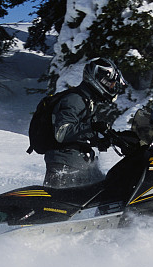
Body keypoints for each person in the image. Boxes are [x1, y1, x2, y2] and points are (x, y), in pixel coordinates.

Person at [43, 57, 127, 188]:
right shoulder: (75, 99)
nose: (112, 88)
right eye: (109, 83)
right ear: (99, 80)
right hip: (66, 167)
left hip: (79, 164)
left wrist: (100, 139)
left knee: (108, 192)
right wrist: (92, 128)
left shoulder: (87, 101)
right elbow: (62, 132)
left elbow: (79, 134)